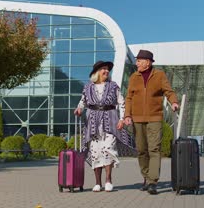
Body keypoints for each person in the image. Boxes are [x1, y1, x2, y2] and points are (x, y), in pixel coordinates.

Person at [74, 60, 134, 192]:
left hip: (110, 120)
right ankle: (97, 183)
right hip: (93, 122)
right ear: (96, 72)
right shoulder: (88, 87)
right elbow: (82, 102)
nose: (106, 71)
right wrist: (79, 109)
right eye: (104, 69)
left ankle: (108, 180)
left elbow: (121, 102)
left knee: (108, 149)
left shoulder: (113, 86)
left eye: (107, 69)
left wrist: (122, 119)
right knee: (95, 152)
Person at [124, 50, 179, 195]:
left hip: (155, 118)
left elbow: (169, 91)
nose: (137, 63)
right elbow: (128, 97)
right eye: (136, 61)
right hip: (137, 118)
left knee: (154, 149)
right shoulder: (133, 77)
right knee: (141, 150)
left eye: (139, 61)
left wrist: (173, 102)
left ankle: (152, 182)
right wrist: (127, 115)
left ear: (148, 62)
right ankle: (146, 177)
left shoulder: (159, 75)